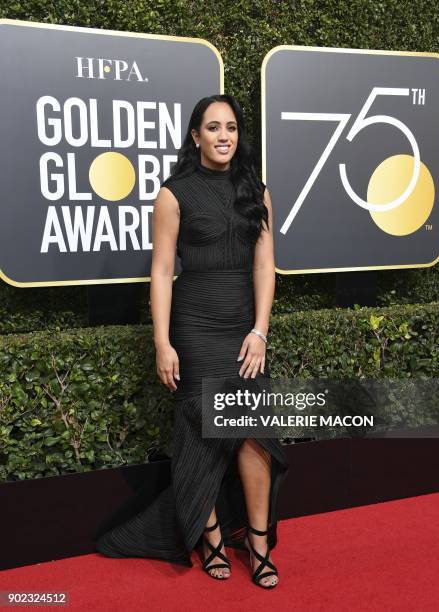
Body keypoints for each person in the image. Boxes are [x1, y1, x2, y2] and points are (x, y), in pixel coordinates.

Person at [96, 94, 289, 589]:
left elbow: (265, 266)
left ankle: (260, 545)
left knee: (254, 436)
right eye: (213, 127)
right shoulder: (173, 193)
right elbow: (161, 272)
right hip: (195, 327)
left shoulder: (256, 191)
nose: (224, 136)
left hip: (244, 330)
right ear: (195, 136)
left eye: (231, 127)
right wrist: (163, 342)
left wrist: (260, 330)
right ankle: (212, 539)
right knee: (202, 436)